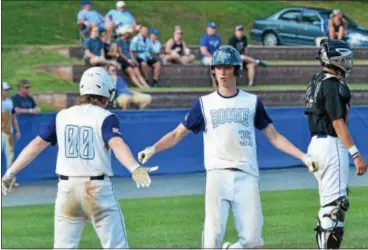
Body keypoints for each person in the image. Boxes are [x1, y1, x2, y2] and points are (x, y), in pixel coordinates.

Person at [137, 46, 318, 249]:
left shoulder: (251, 102)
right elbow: (177, 134)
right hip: (217, 174)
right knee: (211, 239)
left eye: (227, 67)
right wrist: (153, 148)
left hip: (246, 174)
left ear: (237, 70)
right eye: (218, 67)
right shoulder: (204, 104)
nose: (222, 72)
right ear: (213, 70)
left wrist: (302, 156)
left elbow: (274, 136)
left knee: (252, 241)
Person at [1, 67, 158, 248]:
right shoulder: (106, 117)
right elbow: (116, 143)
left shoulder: (62, 116)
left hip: (66, 189)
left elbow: (35, 146)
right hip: (97, 189)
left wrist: (9, 173)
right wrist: (134, 167)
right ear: (106, 92)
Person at [304, 39, 367, 249]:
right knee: (335, 207)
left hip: (314, 147)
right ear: (335, 59)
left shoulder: (315, 80)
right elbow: (338, 122)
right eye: (345, 59)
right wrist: (356, 154)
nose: (348, 63)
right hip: (330, 146)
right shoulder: (332, 84)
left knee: (327, 207)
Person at [1, 82, 21, 187]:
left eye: (7, 90)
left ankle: (10, 181)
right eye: (5, 90)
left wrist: (17, 130)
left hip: (9, 133)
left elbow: (13, 117)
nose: (7, 91)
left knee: (11, 157)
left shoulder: (10, 102)